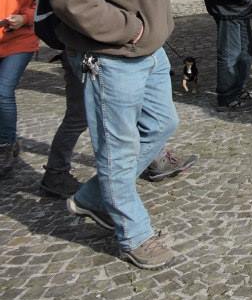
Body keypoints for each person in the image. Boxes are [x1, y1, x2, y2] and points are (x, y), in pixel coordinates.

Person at [49, 0, 181, 269]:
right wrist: (131, 28)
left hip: (148, 50)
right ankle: (133, 234)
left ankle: (93, 197)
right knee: (117, 151)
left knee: (162, 124)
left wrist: (150, 30)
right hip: (112, 57)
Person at [40, 51, 197, 198]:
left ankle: (155, 159)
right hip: (92, 54)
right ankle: (58, 174)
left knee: (141, 110)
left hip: (114, 52)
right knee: (80, 117)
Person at [0, 0, 42, 177]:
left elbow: (48, 1)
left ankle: (5, 145)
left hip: (19, 41)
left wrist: (25, 18)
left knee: (2, 91)